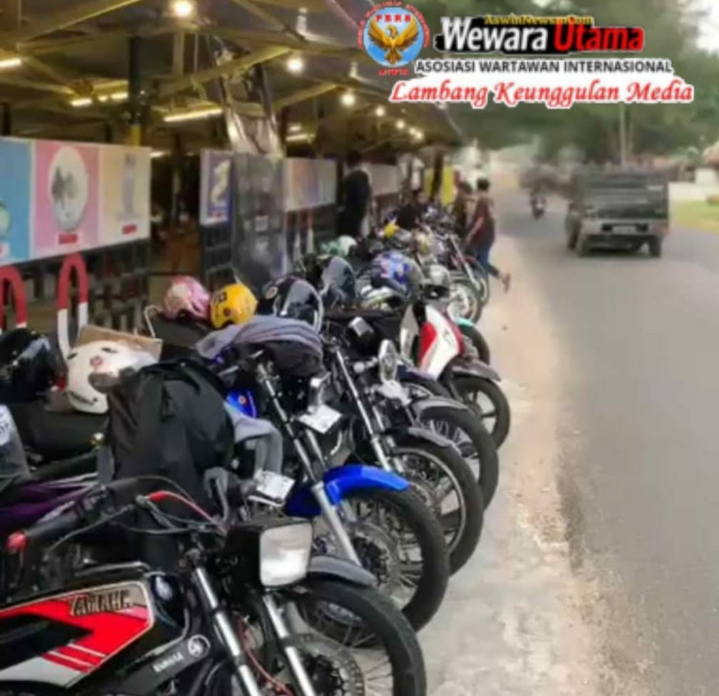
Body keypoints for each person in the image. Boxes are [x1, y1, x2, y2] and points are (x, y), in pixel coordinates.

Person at [464, 177, 511, 293]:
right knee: (480, 261)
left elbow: (480, 220)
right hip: (489, 235)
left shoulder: (482, 201)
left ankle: (484, 290)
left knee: (481, 264)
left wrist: (471, 233)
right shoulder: (489, 200)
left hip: (482, 236)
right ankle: (502, 276)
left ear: (477, 187)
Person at [338, 150, 372, 239]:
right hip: (357, 219)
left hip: (348, 219)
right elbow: (363, 198)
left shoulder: (346, 180)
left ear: (348, 164)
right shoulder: (361, 177)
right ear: (360, 163)